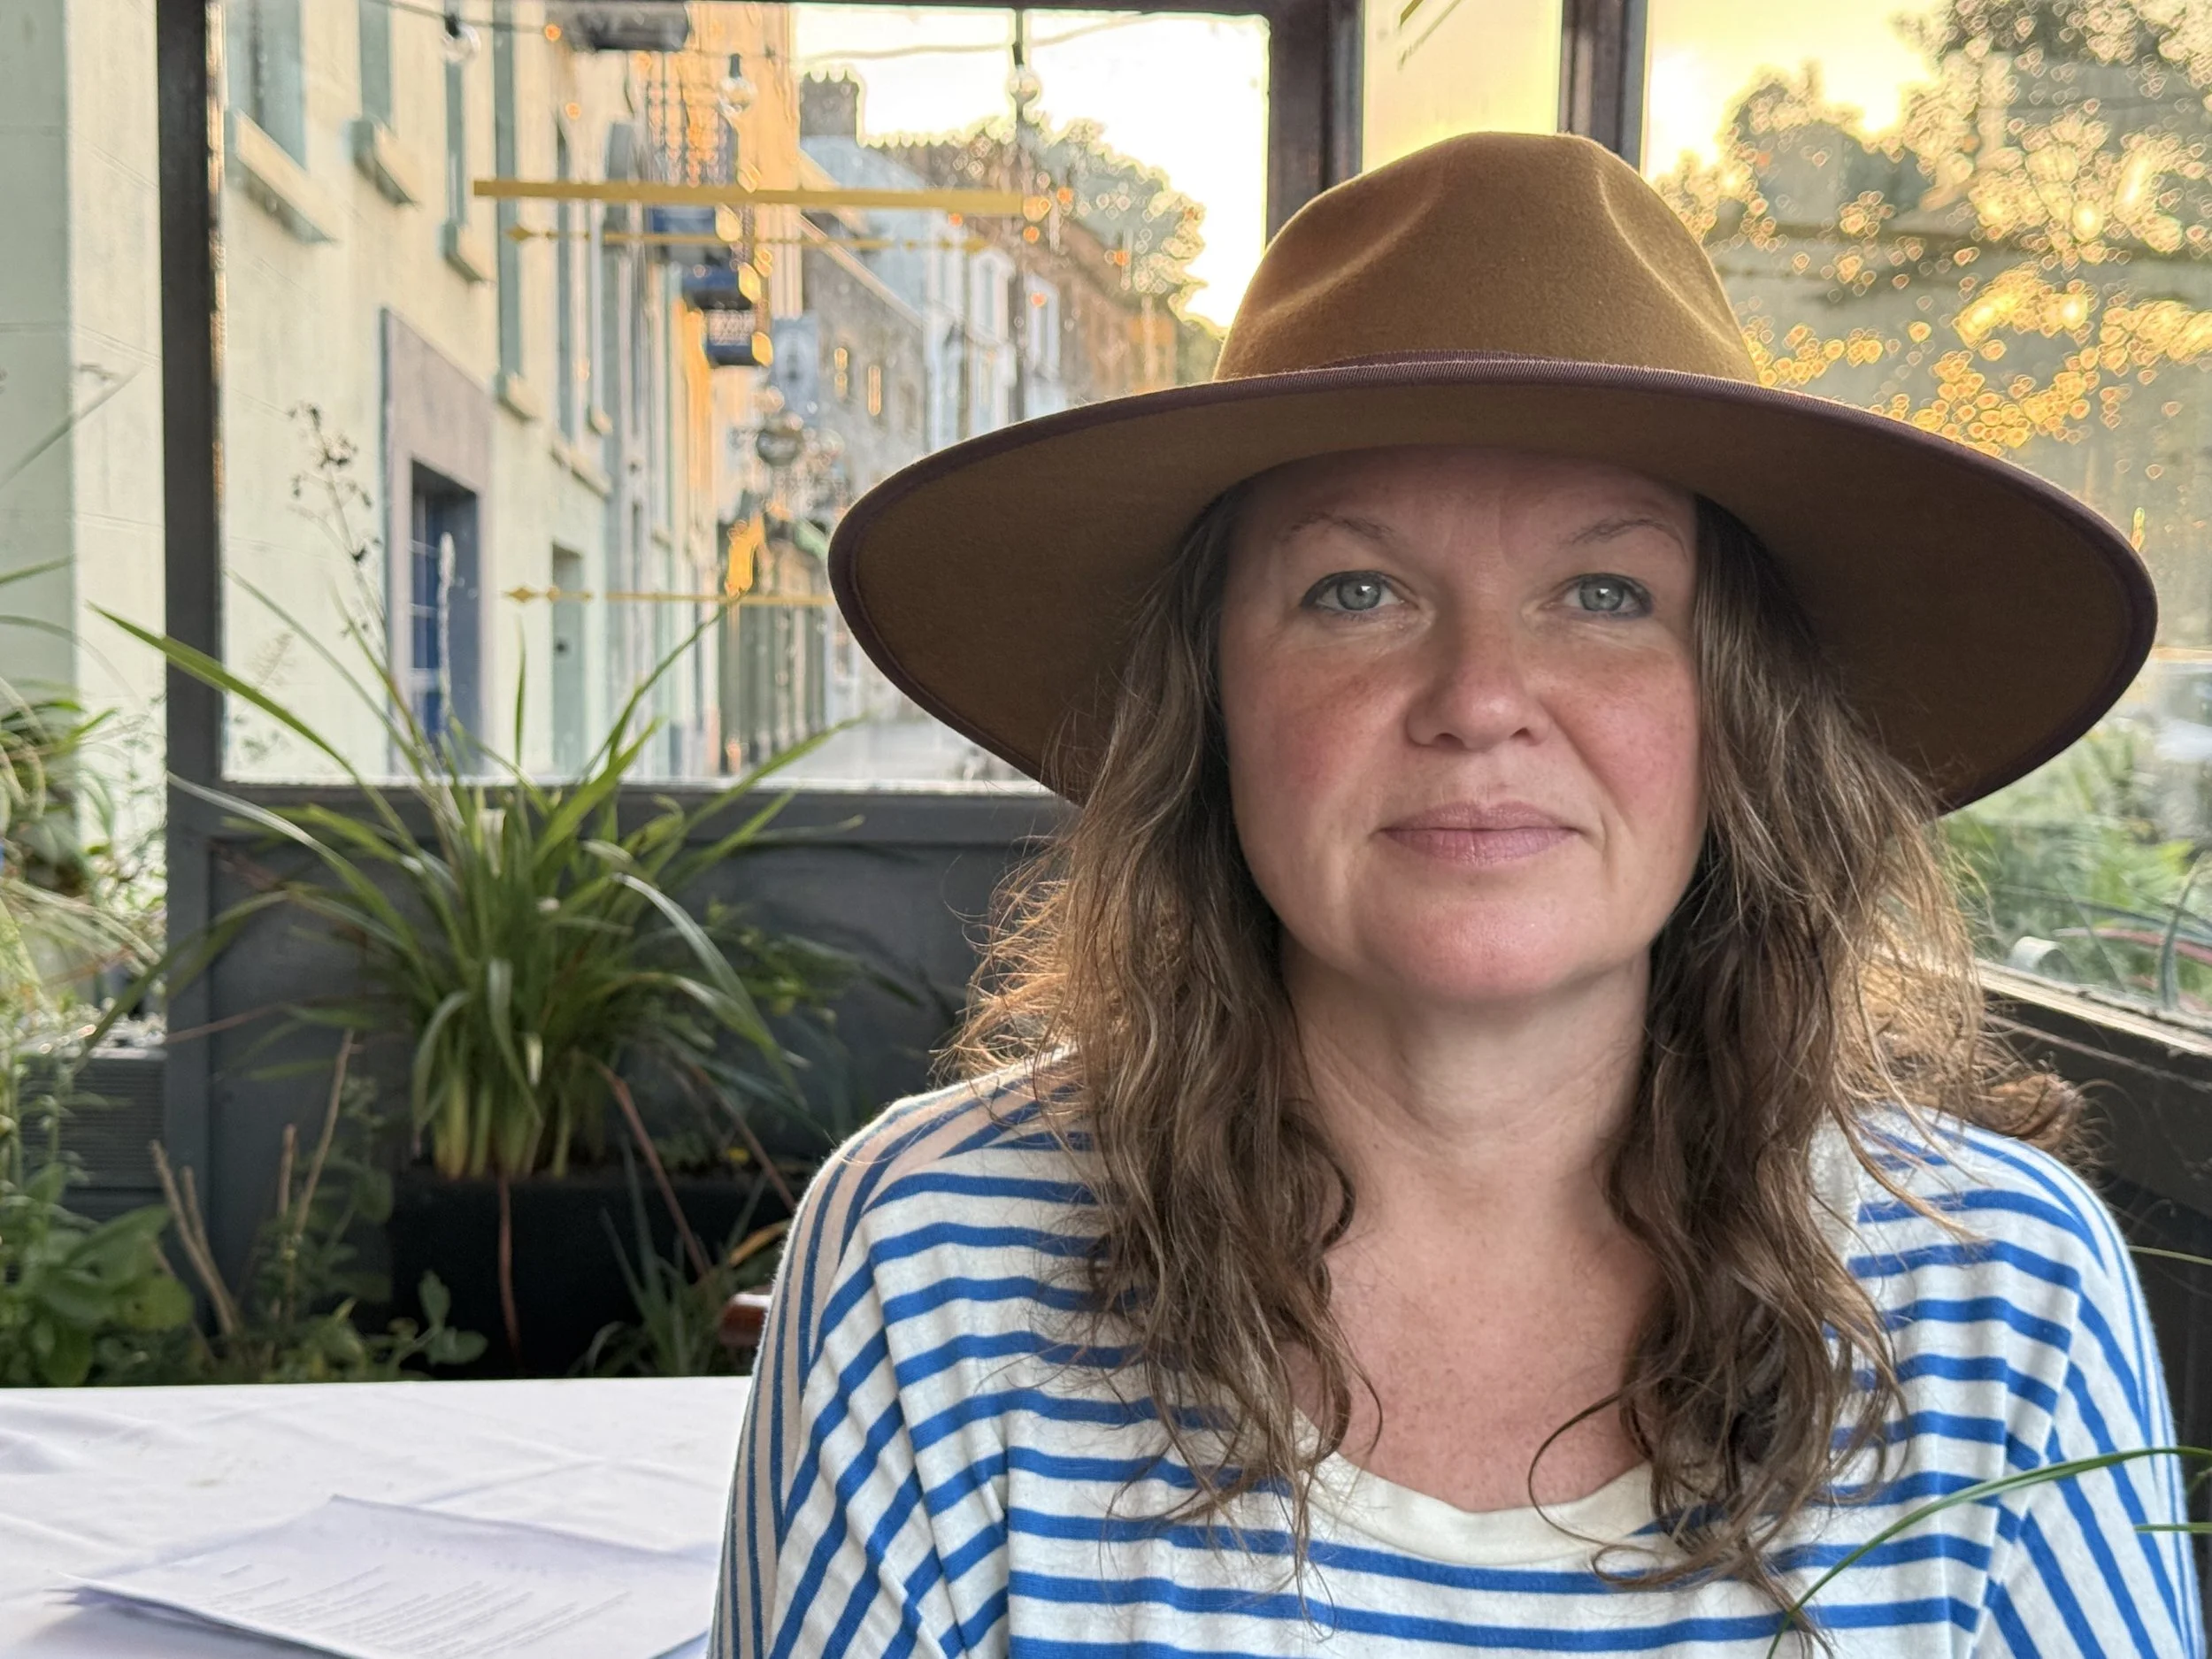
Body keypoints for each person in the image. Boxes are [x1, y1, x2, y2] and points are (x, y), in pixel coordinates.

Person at [711, 133, 2201, 1655]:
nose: (1481, 698)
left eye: (1606, 594)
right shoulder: (927, 1262)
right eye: (1356, 591)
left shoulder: (2006, 1305)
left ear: (1738, 717)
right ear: (1209, 703)